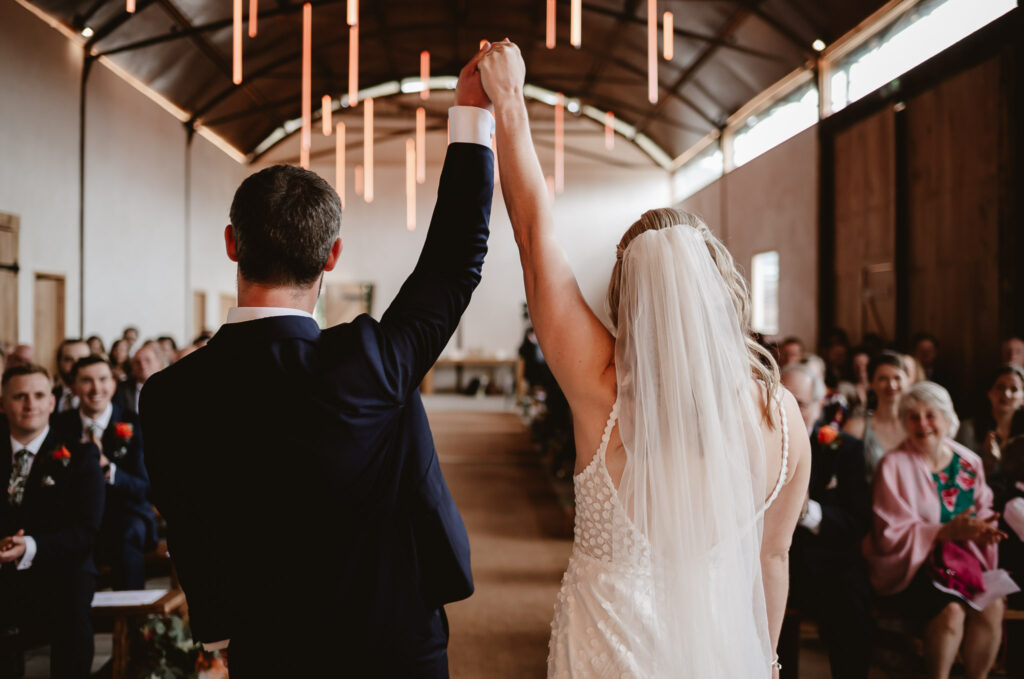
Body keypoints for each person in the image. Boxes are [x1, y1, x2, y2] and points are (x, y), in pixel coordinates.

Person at [141, 47, 495, 677]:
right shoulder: (369, 361)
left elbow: (188, 523)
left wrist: (218, 633)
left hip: (268, 647)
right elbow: (452, 264)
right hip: (395, 640)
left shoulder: (169, 394)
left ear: (232, 244)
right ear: (331, 256)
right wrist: (471, 115)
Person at [478, 41, 810, 677]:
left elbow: (532, 237)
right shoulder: (783, 418)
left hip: (607, 659)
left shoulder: (602, 396)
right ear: (721, 289)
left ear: (624, 299)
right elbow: (773, 559)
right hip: (722, 658)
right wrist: (763, 660)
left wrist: (510, 103)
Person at [864, 381, 1017, 679]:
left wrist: (982, 530)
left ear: (948, 419)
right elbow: (888, 531)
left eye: (930, 415)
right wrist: (943, 532)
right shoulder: (892, 464)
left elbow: (983, 509)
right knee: (951, 613)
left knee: (994, 606)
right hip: (913, 566)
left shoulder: (969, 462)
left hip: (965, 562)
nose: (922, 424)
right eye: (913, 416)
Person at [0, 364, 104, 679]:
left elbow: (86, 532)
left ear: (52, 403)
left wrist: (30, 545)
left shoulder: (80, 456)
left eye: (38, 395)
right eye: (19, 396)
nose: (30, 404)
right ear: (2, 403)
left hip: (58, 566)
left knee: (71, 599)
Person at [781, 363, 872, 679]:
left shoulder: (844, 448)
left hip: (828, 560)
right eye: (782, 398)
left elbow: (856, 521)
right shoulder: (757, 443)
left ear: (820, 405)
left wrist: (807, 511)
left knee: (851, 600)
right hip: (775, 558)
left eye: (800, 403)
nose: (788, 408)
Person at [57, 355, 156, 590]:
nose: (96, 388)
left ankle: (132, 615)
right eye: (86, 381)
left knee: (125, 535)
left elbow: (145, 488)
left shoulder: (135, 422)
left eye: (102, 379)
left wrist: (107, 469)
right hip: (77, 515)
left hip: (126, 512)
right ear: (73, 387)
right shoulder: (60, 425)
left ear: (113, 384)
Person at [843, 351, 908, 479]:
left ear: (907, 381)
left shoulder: (918, 425)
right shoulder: (856, 428)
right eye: (883, 378)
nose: (891, 385)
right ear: (871, 383)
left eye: (897, 378)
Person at [956, 364, 1024, 478]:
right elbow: (961, 476)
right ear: (989, 392)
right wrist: (988, 462)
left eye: (1014, 389)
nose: (1006, 394)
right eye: (1000, 387)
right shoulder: (968, 428)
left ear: (1023, 398)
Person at [114, 341, 164, 416]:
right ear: (132, 368)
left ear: (158, 363)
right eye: (137, 362)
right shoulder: (120, 389)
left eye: (147, 360)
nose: (142, 365)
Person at [53, 339, 90, 414]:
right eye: (69, 360)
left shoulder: (106, 397)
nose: (75, 365)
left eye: (82, 360)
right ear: (59, 363)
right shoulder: (50, 395)